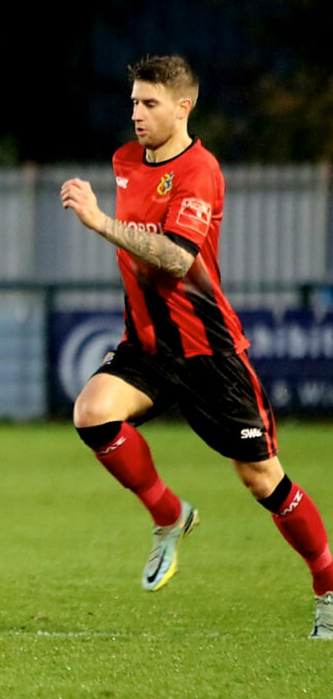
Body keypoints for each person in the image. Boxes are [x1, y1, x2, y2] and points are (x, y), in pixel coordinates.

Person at [61, 54, 333, 639]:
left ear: (184, 106)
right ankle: (169, 515)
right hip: (147, 347)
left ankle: (328, 586)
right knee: (92, 412)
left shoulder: (200, 171)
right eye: (133, 101)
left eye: (150, 103)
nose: (136, 113)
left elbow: (179, 259)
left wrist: (101, 223)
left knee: (263, 481)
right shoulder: (125, 161)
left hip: (209, 353)